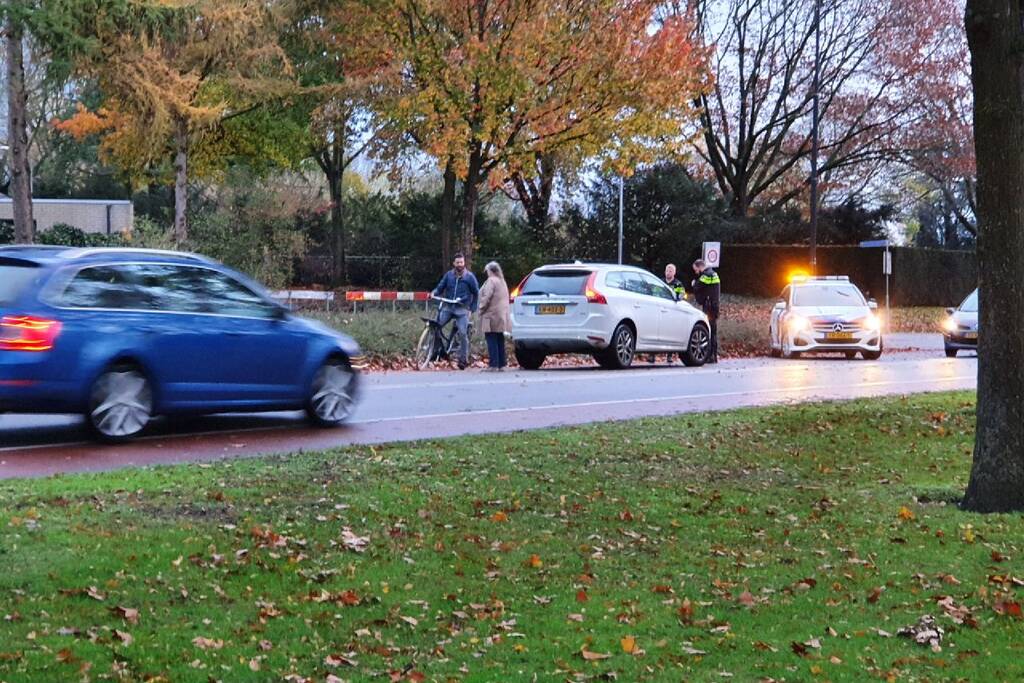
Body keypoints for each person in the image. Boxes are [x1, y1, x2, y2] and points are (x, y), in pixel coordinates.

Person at [432, 253, 479, 369]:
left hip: (462, 308)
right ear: (454, 263)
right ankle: (438, 351)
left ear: (464, 263)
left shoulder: (469, 277)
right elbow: (440, 287)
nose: (459, 265)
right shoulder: (449, 275)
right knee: (436, 326)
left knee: (463, 333)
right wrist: (433, 293)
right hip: (448, 307)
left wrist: (472, 309)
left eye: (461, 262)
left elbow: (476, 293)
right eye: (457, 262)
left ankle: (463, 360)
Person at [648, 263, 688, 364]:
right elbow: (654, 292)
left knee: (670, 332)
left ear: (674, 273)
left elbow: (681, 295)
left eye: (670, 271)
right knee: (656, 331)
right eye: (667, 270)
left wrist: (678, 298)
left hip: (672, 311)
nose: (668, 272)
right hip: (659, 310)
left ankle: (669, 356)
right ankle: (652, 355)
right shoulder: (660, 282)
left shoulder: (678, 284)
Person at [478, 261, 511, 371]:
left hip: (491, 315)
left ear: (491, 271)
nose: (486, 273)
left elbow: (487, 297)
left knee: (491, 338)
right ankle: (501, 364)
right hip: (501, 314)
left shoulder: (491, 281)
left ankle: (493, 364)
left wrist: (481, 308)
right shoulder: (502, 281)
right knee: (499, 338)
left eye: (487, 271)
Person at [691, 258, 721, 364]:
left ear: (700, 267)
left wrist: (694, 283)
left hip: (709, 307)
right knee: (713, 331)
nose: (696, 272)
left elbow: (697, 287)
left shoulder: (706, 275)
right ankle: (713, 355)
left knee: (709, 331)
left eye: (696, 270)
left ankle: (710, 356)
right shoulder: (714, 274)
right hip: (714, 306)